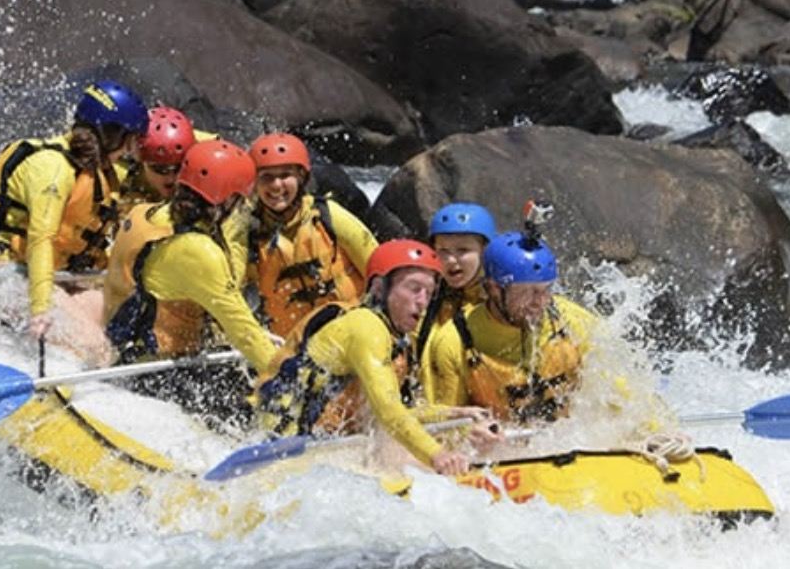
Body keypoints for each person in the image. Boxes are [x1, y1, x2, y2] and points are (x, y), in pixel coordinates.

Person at [255, 240, 499, 476]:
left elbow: (389, 413)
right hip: (286, 446)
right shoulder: (366, 327)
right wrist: (437, 455)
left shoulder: (394, 338)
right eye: (414, 289)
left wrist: (452, 414)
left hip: (328, 442)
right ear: (379, 288)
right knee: (409, 462)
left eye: (429, 293)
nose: (423, 302)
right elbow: (389, 413)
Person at [104, 139, 278, 425]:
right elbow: (244, 334)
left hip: (123, 359)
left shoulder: (144, 213)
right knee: (256, 412)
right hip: (160, 376)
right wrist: (290, 379)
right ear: (230, 200)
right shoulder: (200, 253)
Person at [0, 80, 149, 339]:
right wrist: (40, 310)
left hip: (59, 276)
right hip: (11, 276)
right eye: (127, 142)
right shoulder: (53, 169)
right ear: (109, 135)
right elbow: (41, 239)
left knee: (112, 326)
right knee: (97, 348)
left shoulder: (100, 171)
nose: (127, 152)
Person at [423, 231, 597, 423]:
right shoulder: (453, 340)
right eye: (527, 292)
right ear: (494, 289)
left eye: (545, 290)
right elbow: (445, 426)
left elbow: (620, 393)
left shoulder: (570, 319)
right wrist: (471, 433)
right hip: (502, 447)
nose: (539, 302)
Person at [224, 132, 377, 338]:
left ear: (301, 177)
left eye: (285, 175)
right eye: (267, 177)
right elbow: (230, 292)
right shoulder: (246, 232)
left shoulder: (329, 216)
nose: (276, 185)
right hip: (289, 349)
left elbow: (380, 270)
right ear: (254, 183)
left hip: (350, 338)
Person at [415, 202, 497, 401]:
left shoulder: (497, 303)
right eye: (442, 251)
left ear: (484, 252)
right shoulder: (427, 297)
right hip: (434, 413)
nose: (451, 260)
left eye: (463, 250)